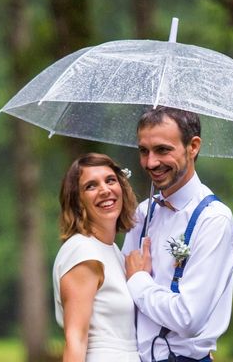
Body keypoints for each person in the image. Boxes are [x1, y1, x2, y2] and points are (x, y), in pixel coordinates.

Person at [123, 107, 233, 362]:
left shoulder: (213, 220)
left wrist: (139, 281)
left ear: (193, 146)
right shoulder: (142, 214)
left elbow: (189, 318)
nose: (150, 163)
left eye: (162, 150)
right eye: (144, 151)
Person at [52, 153, 140, 362]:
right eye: (91, 186)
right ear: (77, 200)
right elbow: (76, 340)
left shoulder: (112, 252)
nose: (105, 190)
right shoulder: (83, 252)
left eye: (110, 180)